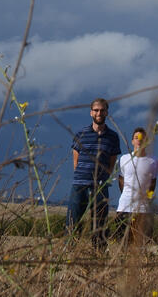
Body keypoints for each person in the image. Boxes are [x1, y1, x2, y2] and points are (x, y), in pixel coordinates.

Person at [67, 98, 122, 249]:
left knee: (99, 225)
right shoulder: (81, 134)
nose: (99, 113)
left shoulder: (113, 137)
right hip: (80, 185)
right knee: (72, 221)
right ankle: (68, 254)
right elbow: (75, 161)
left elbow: (111, 163)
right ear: (91, 112)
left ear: (107, 112)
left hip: (100, 187)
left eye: (102, 110)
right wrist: (83, 176)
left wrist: (102, 179)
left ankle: (98, 256)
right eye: (96, 110)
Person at [115, 127, 158, 247]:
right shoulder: (124, 159)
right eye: (136, 138)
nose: (139, 140)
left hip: (144, 208)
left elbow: (153, 182)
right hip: (125, 206)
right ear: (132, 141)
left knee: (142, 243)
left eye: (142, 138)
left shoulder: (153, 161)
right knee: (123, 242)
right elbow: (121, 179)